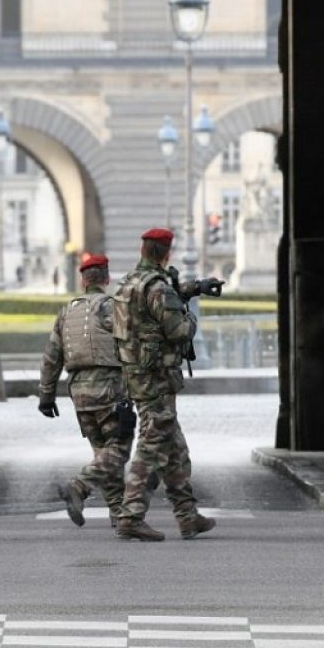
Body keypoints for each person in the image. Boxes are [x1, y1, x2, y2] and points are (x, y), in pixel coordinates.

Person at [110, 227, 215, 542]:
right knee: (153, 444)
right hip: (157, 378)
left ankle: (187, 516)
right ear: (166, 253)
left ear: (143, 251)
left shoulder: (129, 283)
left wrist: (195, 288)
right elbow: (179, 330)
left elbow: (157, 301)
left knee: (175, 448)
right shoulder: (157, 287)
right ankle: (131, 516)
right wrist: (192, 319)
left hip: (137, 375)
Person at [38, 252, 133, 530]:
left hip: (79, 394)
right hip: (109, 390)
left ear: (83, 280)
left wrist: (46, 394)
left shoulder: (67, 312)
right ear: (106, 278)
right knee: (118, 449)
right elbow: (131, 348)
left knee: (103, 453)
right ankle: (78, 486)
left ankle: (119, 513)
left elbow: (52, 356)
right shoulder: (113, 307)